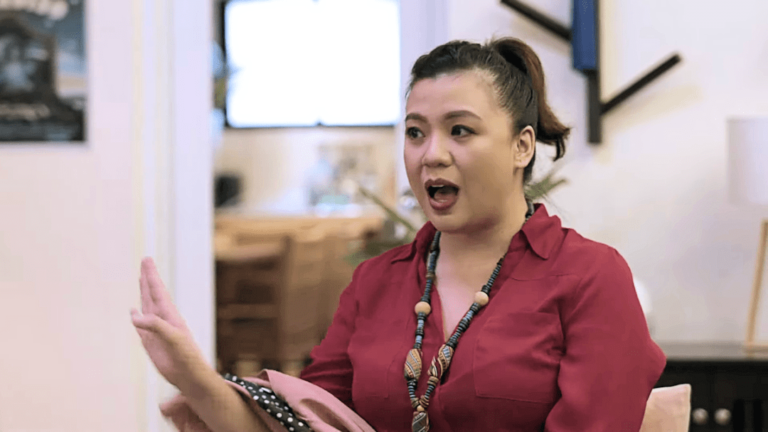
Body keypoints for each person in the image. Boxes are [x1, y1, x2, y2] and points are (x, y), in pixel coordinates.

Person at [131, 37, 666, 432]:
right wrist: (196, 378)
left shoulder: (590, 276)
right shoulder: (376, 282)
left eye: (460, 130)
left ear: (522, 147)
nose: (431, 153)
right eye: (415, 132)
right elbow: (303, 420)